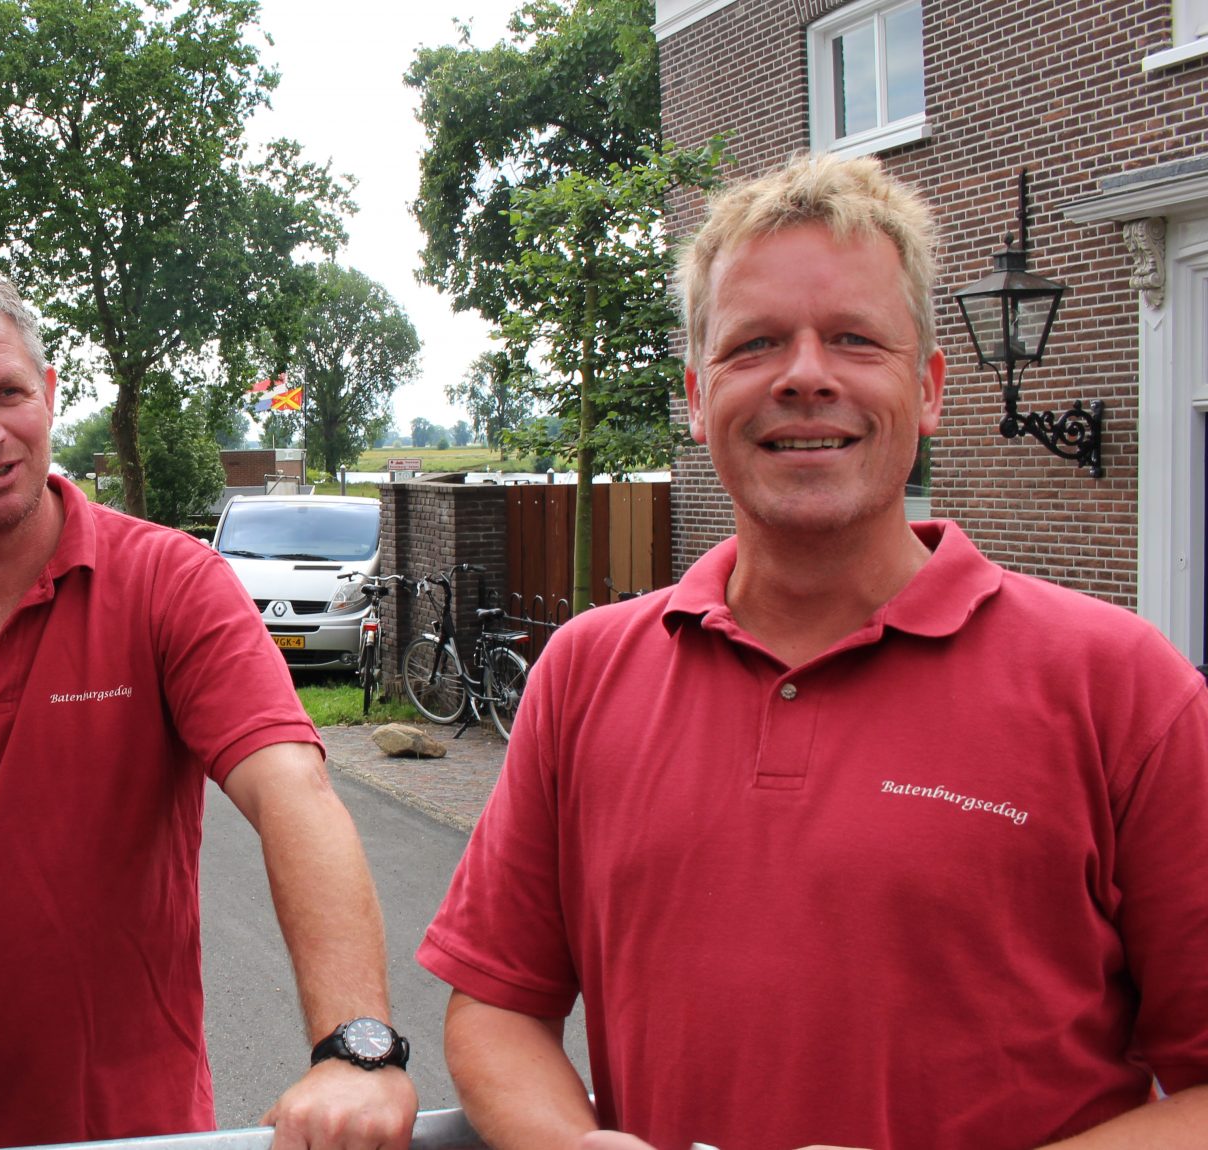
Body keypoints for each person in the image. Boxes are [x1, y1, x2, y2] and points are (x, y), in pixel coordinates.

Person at [418, 154, 1208, 1150]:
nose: (803, 375)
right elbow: (498, 1003)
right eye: (754, 344)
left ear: (927, 389)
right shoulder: (583, 673)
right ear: (696, 396)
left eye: (852, 339)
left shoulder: (1120, 688)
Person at [0, 268, 419, 1150]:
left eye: (8, 393)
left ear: (49, 392)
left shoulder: (171, 585)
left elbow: (292, 792)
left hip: (143, 1131)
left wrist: (354, 1047)